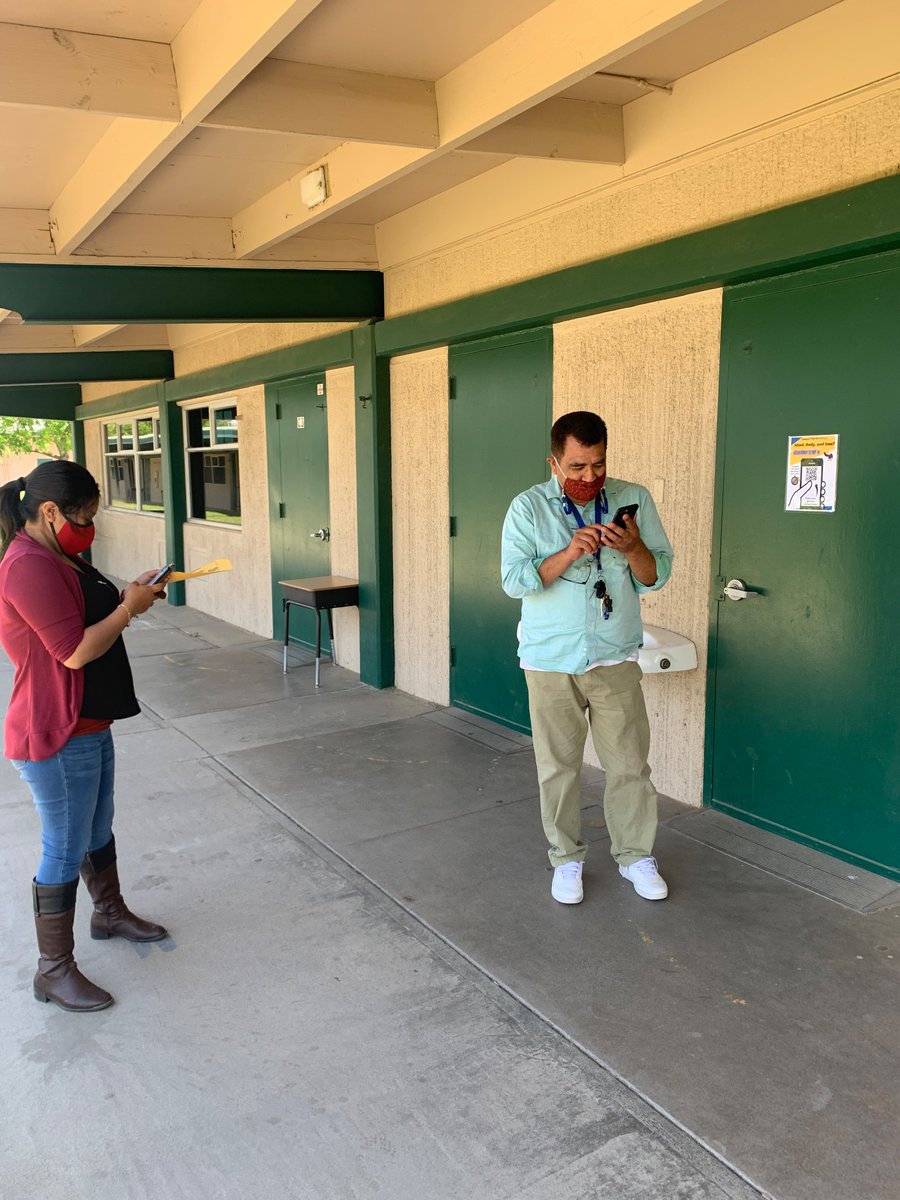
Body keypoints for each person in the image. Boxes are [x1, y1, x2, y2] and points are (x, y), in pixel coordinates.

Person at [0, 460, 169, 1012]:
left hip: (91, 725)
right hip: (57, 732)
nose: (89, 527)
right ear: (49, 512)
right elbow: (71, 651)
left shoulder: (58, 554)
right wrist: (127, 611)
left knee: (97, 827)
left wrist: (128, 595)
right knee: (63, 846)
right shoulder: (26, 565)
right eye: (83, 516)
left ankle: (109, 913)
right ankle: (53, 970)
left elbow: (86, 617)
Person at [501, 411, 674, 905]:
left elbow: (655, 574)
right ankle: (566, 860)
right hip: (549, 660)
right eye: (576, 467)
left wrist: (635, 545)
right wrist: (568, 553)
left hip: (613, 656)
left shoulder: (632, 498)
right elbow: (513, 580)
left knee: (629, 767)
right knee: (558, 768)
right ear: (554, 462)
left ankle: (635, 856)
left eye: (597, 465)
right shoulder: (527, 508)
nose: (589, 478)